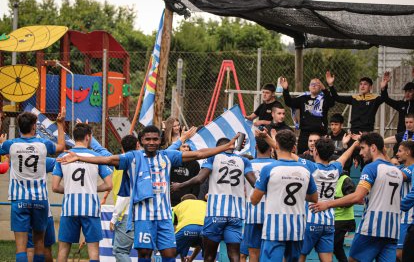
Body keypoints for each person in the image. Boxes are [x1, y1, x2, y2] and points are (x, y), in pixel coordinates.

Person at [57, 125, 241, 262]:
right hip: (144, 217)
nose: (151, 142)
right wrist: (80, 157)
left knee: (169, 254)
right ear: (141, 142)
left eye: (155, 139)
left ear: (160, 141)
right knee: (144, 254)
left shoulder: (167, 156)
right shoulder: (133, 157)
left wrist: (225, 147)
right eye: (147, 139)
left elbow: (199, 154)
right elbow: (108, 158)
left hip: (164, 218)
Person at [310, 132, 403, 262]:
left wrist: (328, 204)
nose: (360, 153)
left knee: (353, 260)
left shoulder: (371, 168)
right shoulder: (397, 170)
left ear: (373, 148)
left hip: (372, 227)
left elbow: (357, 197)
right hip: (392, 229)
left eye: (363, 148)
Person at [171, 137, 257, 262]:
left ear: (218, 148)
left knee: (209, 256)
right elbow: (255, 183)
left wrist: (180, 185)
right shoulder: (244, 161)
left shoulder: (213, 157)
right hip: (235, 214)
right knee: (234, 255)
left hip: (216, 213)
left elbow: (199, 179)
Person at [0, 109, 66, 262]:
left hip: (19, 200)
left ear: (19, 127)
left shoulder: (11, 145)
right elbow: (61, 147)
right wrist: (60, 124)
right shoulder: (43, 144)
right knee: (39, 243)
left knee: (21, 247)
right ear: (34, 127)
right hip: (40, 200)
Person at [250, 129, 318, 261]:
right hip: (297, 227)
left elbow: (254, 200)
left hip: (274, 227)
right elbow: (314, 198)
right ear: (294, 147)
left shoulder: (269, 169)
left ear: (276, 146)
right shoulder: (305, 170)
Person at [52, 123, 113, 262]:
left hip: (69, 209)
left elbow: (55, 187)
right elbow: (109, 185)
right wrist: (91, 187)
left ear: (74, 138)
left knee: (63, 249)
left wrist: (70, 189)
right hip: (90, 209)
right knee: (93, 250)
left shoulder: (63, 156)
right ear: (88, 137)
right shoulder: (97, 157)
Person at [299, 138, 359, 262]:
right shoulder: (335, 168)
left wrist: (271, 140)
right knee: (327, 258)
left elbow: (289, 155)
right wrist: (354, 145)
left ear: (315, 151)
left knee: (300, 255)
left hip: (311, 218)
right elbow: (345, 156)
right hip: (329, 221)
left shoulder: (312, 167)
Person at [281, 76, 334, 154]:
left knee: (321, 155)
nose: (314, 85)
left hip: (320, 133)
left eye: (317, 84)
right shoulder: (303, 98)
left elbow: (331, 103)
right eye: (312, 84)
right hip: (305, 133)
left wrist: (324, 89)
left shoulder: (324, 98)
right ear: (309, 87)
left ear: (320, 87)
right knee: (302, 155)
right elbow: (289, 102)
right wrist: (285, 89)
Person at [243, 137, 274, 262]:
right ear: (271, 148)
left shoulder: (247, 164)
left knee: (253, 252)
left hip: (252, 214)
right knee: (272, 251)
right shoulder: (276, 164)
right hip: (272, 214)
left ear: (255, 147)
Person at [110, 134, 140, 262]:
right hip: (149, 215)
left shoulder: (126, 165)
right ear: (138, 145)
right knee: (147, 251)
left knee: (120, 251)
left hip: (130, 215)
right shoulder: (149, 162)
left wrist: (114, 218)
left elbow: (124, 196)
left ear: (122, 148)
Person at [395, 141, 414, 262]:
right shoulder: (400, 167)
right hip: (398, 217)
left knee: (400, 255)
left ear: (408, 152)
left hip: (408, 218)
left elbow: (396, 175)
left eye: (400, 151)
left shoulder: (411, 168)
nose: (397, 154)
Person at [172, 194, 206, 262]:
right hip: (204, 230)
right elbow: (199, 242)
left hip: (186, 229)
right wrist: (191, 258)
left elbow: (180, 236)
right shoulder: (204, 204)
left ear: (182, 202)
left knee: (170, 255)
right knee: (210, 257)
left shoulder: (179, 206)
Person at [333, 170, 356, 262]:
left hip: (343, 219)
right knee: (336, 247)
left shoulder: (346, 180)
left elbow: (350, 200)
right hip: (335, 218)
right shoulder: (331, 179)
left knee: (332, 246)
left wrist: (332, 201)